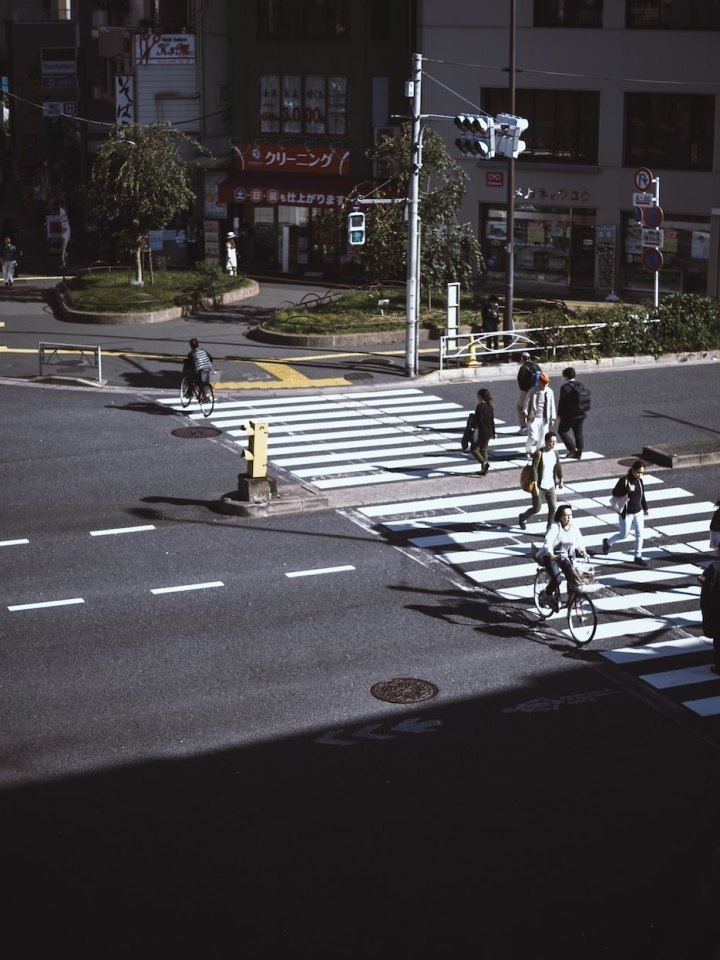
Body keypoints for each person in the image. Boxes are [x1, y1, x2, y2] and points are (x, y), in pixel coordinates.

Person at [536, 503, 590, 607]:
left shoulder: (574, 528)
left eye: (570, 515)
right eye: (566, 515)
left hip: (565, 556)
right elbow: (548, 541)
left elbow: (579, 541)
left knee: (573, 576)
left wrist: (583, 551)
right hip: (552, 556)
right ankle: (546, 595)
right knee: (557, 579)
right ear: (560, 517)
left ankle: (572, 600)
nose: (569, 517)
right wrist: (550, 553)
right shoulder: (555, 527)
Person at [602, 461, 649, 566]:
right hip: (626, 513)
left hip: (638, 511)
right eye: (638, 472)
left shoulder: (640, 481)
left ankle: (637, 556)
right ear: (632, 470)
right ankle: (607, 542)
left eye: (642, 473)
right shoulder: (624, 480)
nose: (640, 475)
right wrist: (626, 489)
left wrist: (645, 508)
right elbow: (614, 493)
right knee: (623, 535)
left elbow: (642, 496)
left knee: (640, 534)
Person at [518, 431, 563, 530]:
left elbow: (558, 466)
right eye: (551, 441)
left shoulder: (555, 453)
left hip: (550, 485)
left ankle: (549, 528)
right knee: (536, 508)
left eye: (555, 442)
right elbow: (534, 468)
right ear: (546, 441)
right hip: (539, 486)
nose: (553, 444)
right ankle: (523, 517)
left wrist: (561, 479)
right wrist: (535, 485)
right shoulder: (539, 453)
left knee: (553, 508)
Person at [557, 366, 590, 460]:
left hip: (569, 416)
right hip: (581, 413)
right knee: (578, 433)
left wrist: (559, 414)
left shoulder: (565, 387)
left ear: (566, 376)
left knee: (562, 431)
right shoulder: (580, 384)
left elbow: (562, 402)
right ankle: (579, 453)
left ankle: (572, 449)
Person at [697, 543, 720, 674]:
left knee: (718, 638)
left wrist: (704, 606)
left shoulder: (714, 567)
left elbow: (707, 588)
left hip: (716, 608)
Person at [523, 372, 556, 458]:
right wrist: (525, 415)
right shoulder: (533, 390)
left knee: (542, 437)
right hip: (533, 417)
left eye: (547, 382)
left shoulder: (549, 392)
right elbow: (527, 402)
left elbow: (552, 405)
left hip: (545, 418)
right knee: (533, 437)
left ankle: (538, 452)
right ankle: (528, 450)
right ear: (539, 382)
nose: (545, 384)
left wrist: (552, 418)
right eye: (543, 382)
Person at [469, 387, 496, 476]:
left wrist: (472, 426)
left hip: (482, 431)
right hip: (489, 431)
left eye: (478, 397)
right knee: (483, 449)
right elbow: (492, 420)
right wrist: (493, 432)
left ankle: (484, 463)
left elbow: (479, 419)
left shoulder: (480, 407)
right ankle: (484, 470)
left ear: (480, 396)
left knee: (473, 449)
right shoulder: (490, 406)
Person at [516, 352, 542, 432]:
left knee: (520, 407)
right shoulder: (536, 366)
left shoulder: (524, 368)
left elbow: (520, 379)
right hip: (537, 390)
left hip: (526, 391)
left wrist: (523, 389)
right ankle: (535, 426)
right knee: (533, 408)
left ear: (522, 359)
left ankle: (524, 427)